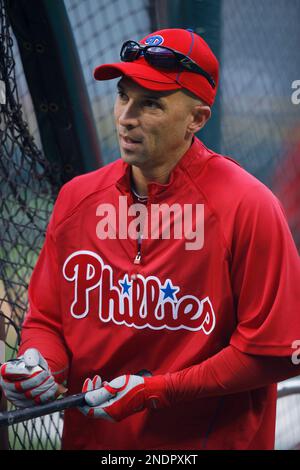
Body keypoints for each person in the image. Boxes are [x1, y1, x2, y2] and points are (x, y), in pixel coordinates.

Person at [1, 28, 300, 450]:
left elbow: (272, 352)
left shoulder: (248, 206)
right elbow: (47, 320)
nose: (126, 117)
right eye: (123, 96)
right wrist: (39, 362)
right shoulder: (77, 199)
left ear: (196, 118)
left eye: (151, 104)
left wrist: (161, 389)